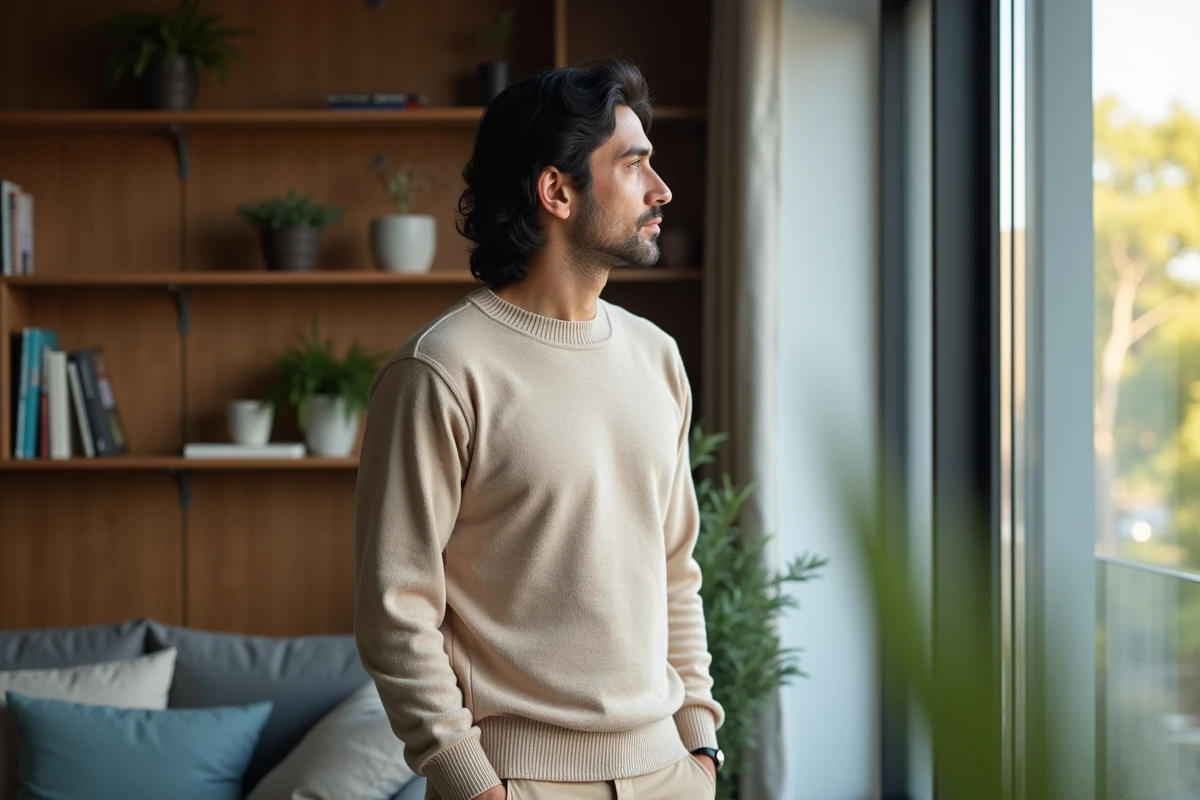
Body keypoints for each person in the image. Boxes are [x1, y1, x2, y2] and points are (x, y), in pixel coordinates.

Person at [353, 57, 725, 800]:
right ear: (557, 190)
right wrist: (473, 783)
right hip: (518, 784)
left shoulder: (658, 358)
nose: (663, 190)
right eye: (635, 165)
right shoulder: (440, 370)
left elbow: (676, 572)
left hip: (670, 775)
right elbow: (396, 611)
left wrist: (700, 745)